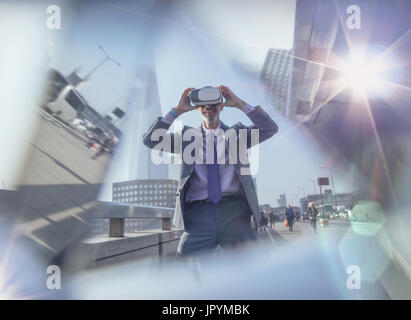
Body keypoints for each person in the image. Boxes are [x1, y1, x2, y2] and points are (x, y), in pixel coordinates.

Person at [142, 85, 279, 257]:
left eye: (214, 103)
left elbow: (269, 129)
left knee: (249, 271)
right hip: (198, 217)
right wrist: (177, 111)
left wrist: (238, 103)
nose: (208, 107)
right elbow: (150, 140)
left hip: (235, 214)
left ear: (221, 106)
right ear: (197, 108)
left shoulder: (238, 135)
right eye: (203, 104)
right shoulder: (186, 139)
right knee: (185, 269)